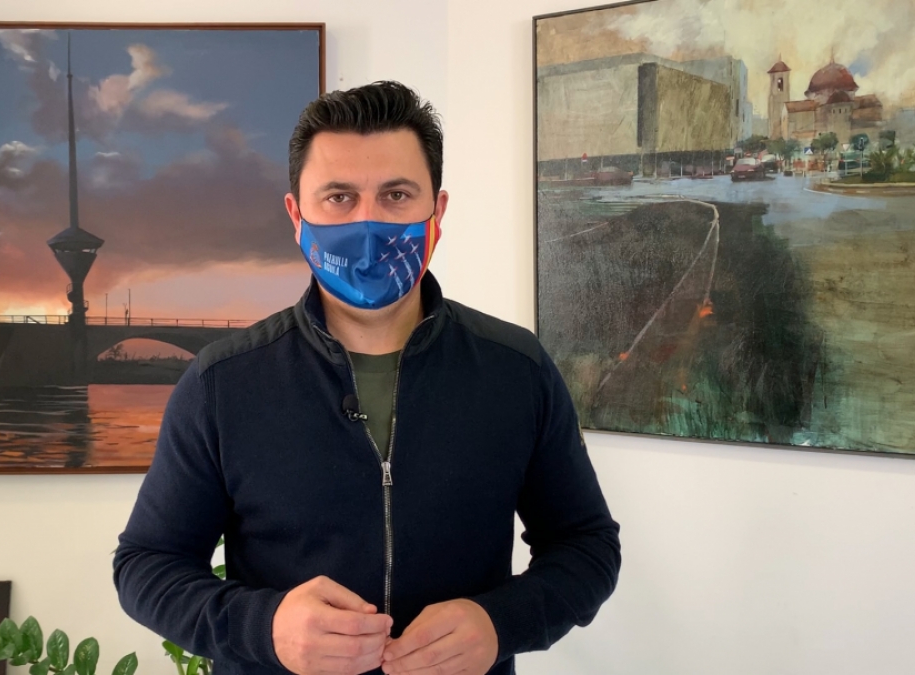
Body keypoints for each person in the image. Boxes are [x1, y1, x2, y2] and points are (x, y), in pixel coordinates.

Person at [113, 80, 620, 675]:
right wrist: (265, 627)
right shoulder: (222, 384)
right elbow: (147, 565)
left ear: (438, 211)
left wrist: (500, 623)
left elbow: (587, 545)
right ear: (296, 214)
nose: (369, 223)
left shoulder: (516, 370)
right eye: (339, 197)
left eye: (396, 195)